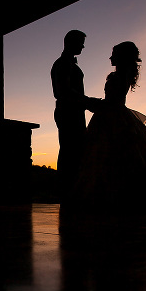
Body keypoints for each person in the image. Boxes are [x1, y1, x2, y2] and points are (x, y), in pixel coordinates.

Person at [72, 41, 146, 209]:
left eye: (114, 54)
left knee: (113, 158)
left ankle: (116, 201)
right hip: (114, 115)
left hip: (112, 118)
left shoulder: (119, 76)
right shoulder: (121, 75)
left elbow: (112, 103)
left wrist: (86, 101)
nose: (110, 57)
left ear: (121, 56)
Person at [51, 30, 95, 197]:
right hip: (68, 112)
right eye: (81, 43)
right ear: (70, 42)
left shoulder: (69, 64)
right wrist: (88, 101)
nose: (83, 47)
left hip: (74, 112)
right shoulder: (62, 64)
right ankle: (67, 192)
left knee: (74, 151)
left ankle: (71, 191)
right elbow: (63, 91)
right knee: (70, 151)